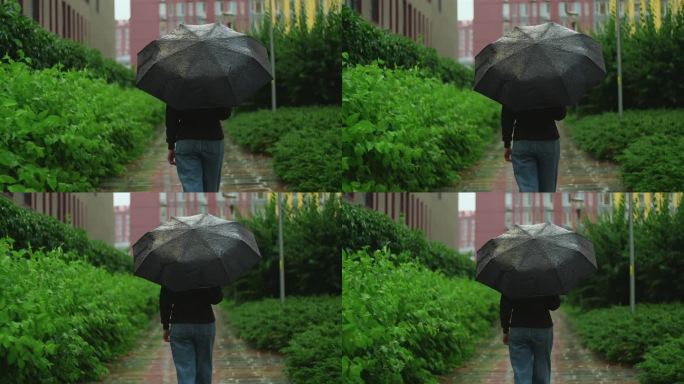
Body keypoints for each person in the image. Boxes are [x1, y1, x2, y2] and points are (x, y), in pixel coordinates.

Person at [160, 286, 223, 384]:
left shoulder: (172, 272)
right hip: (205, 323)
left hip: (180, 324)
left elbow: (165, 300)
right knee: (204, 367)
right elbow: (217, 298)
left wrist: (165, 325)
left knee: (185, 370)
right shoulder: (207, 271)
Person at [166, 105, 232, 192]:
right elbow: (225, 114)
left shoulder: (176, 91)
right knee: (210, 190)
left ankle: (195, 205)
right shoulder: (218, 91)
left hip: (186, 140)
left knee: (192, 190)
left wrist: (171, 145)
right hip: (213, 139)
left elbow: (171, 118)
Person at [501, 106, 566, 192]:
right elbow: (560, 115)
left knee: (527, 190)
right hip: (548, 140)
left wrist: (507, 143)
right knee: (547, 190)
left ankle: (530, 204)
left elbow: (507, 117)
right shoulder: (551, 92)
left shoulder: (512, 92)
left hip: (522, 141)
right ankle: (545, 204)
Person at [500, 294, 561, 384]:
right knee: (542, 368)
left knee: (521, 372)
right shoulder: (546, 280)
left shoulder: (511, 281)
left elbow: (505, 307)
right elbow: (554, 305)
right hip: (542, 328)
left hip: (518, 328)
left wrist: (505, 329)